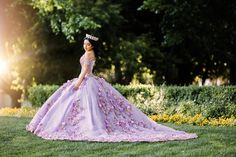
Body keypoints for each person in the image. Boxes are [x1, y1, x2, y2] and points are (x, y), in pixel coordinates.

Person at [26, 34, 198, 142]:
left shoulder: (89, 55)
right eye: (85, 43)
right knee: (87, 107)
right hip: (90, 80)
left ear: (92, 46)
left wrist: (76, 85)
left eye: (88, 44)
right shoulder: (89, 53)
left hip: (86, 81)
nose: (86, 46)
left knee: (86, 107)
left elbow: (85, 71)